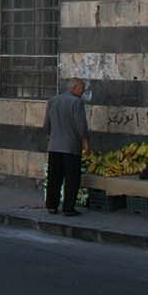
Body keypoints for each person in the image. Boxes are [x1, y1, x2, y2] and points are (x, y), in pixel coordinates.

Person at [43, 78, 91, 217]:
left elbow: (46, 124)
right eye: (82, 89)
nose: (83, 92)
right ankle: (68, 208)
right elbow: (81, 125)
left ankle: (51, 206)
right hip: (71, 146)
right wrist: (85, 142)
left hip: (54, 146)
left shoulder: (53, 100)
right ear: (74, 88)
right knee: (71, 178)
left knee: (54, 177)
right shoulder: (76, 102)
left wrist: (50, 137)